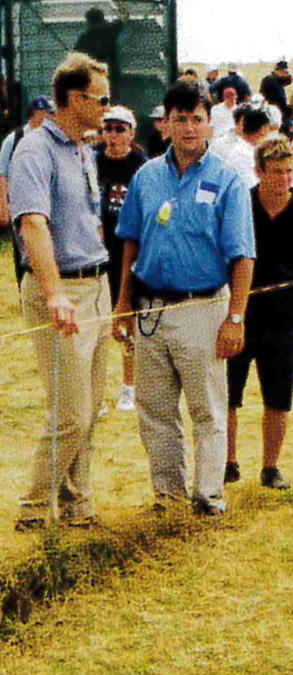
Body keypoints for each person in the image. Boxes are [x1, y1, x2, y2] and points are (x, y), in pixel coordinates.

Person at [112, 79, 255, 516]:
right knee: (154, 411)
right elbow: (130, 243)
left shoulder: (227, 181)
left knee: (208, 410)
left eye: (197, 119)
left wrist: (235, 318)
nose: (189, 128)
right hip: (151, 309)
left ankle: (208, 495)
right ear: (165, 126)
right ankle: (168, 495)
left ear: (210, 125)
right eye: (180, 119)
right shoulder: (146, 176)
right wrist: (123, 302)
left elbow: (243, 255)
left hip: (203, 308)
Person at [9, 53, 112, 530]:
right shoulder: (35, 149)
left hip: (97, 285)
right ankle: (33, 510)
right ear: (76, 99)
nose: (108, 108)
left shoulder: (82, 149)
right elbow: (32, 223)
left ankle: (78, 505)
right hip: (62, 290)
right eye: (102, 99)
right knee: (71, 412)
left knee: (90, 409)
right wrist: (54, 295)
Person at [225, 136, 293, 489]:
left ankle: (270, 467)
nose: (283, 180)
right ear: (259, 172)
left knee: (279, 397)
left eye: (289, 172)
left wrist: (290, 285)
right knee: (229, 394)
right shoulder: (242, 206)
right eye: (276, 172)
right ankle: (229, 461)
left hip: (283, 321)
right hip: (240, 317)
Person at [95, 105, 146, 413]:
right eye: (108, 129)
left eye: (119, 129)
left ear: (131, 133)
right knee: (98, 324)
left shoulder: (141, 166)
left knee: (128, 318)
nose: (112, 136)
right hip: (98, 254)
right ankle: (95, 392)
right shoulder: (93, 162)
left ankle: (129, 386)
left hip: (130, 251)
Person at [0, 95, 56, 287]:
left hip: (47, 202)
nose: (51, 116)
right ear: (36, 113)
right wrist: (3, 207)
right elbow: (3, 175)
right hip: (21, 205)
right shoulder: (14, 139)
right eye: (48, 112)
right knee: (24, 249)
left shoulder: (51, 139)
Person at [259, 61, 293, 135]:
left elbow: (288, 81)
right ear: (279, 71)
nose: (285, 75)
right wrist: (289, 110)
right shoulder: (273, 82)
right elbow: (281, 99)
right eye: (284, 72)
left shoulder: (270, 79)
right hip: (276, 113)